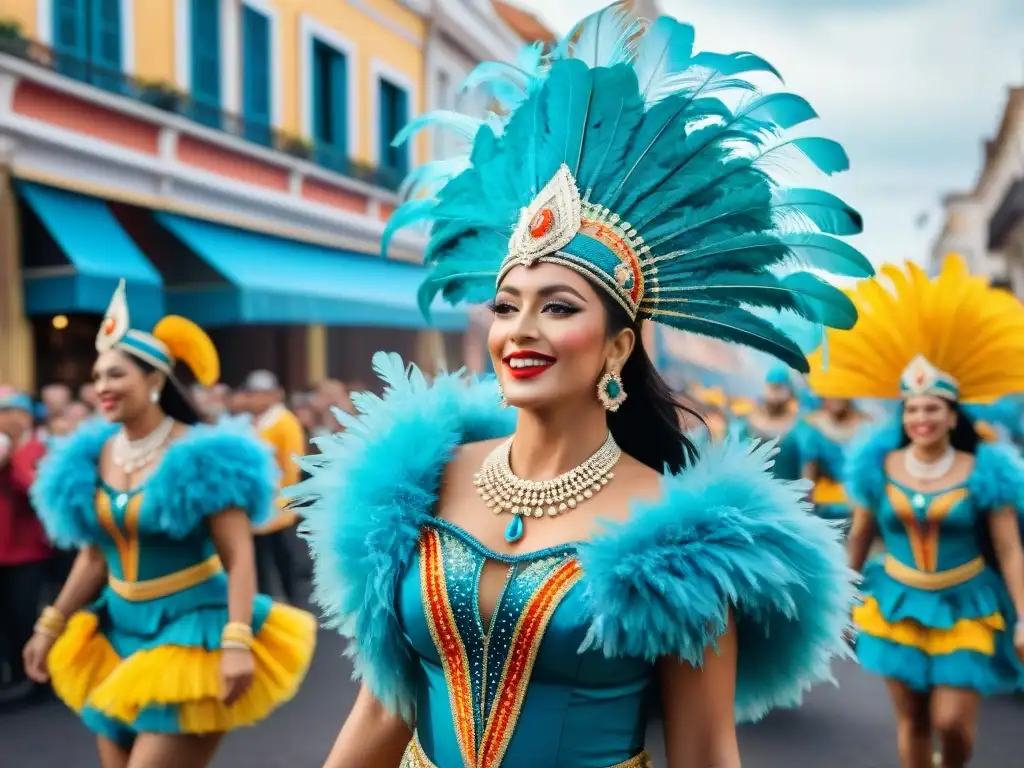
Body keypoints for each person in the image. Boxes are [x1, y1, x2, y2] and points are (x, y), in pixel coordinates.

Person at [295, 5, 872, 767]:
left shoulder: (683, 538)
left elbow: (703, 753)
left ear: (618, 346)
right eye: (506, 307)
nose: (519, 330)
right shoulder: (415, 485)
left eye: (559, 307)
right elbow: (381, 709)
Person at [22, 281, 316, 768]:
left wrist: (237, 640)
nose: (102, 388)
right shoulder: (93, 456)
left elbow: (239, 556)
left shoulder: (204, 456)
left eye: (116, 374)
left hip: (190, 635)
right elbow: (95, 556)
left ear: (155, 379)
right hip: (114, 635)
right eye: (97, 377)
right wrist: (49, 626)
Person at [808, 255, 1024, 768]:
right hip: (896, 603)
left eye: (932, 408)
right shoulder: (876, 467)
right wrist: (840, 603)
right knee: (913, 723)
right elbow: (858, 541)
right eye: (912, 408)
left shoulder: (986, 469)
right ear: (902, 414)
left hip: (966, 605)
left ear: (953, 415)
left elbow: (1010, 548)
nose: (921, 417)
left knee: (951, 724)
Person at [0, 391, 51, 705]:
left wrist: (13, 457)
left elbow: (34, 491)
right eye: (3, 412)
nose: (8, 418)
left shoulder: (38, 450)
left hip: (26, 553)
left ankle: (33, 679)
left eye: (13, 411)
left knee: (23, 618)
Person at [244, 369, 306, 605]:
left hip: (279, 500)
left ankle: (295, 601)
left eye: (261, 393)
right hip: (259, 501)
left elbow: (291, 464)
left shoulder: (284, 422)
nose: (255, 399)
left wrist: (285, 498)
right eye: (253, 393)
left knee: (284, 556)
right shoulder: (254, 423)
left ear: (274, 395)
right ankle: (265, 601)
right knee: (260, 557)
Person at [799, 397, 871, 528]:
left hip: (861, 503)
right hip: (826, 502)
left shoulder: (867, 424)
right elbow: (809, 471)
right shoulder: (812, 424)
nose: (835, 398)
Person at [730, 364, 804, 480]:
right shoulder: (745, 424)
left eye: (779, 388)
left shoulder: (799, 428)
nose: (774, 393)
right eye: (772, 387)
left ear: (789, 392)